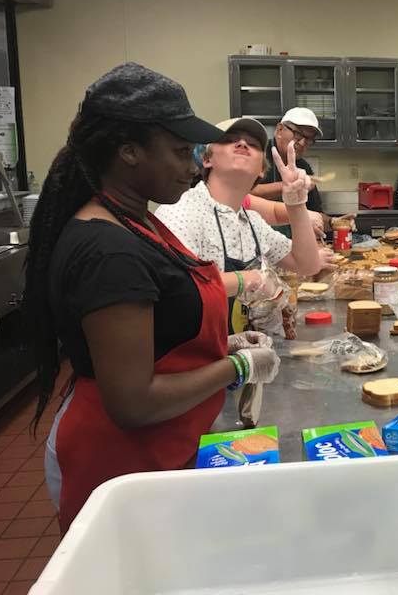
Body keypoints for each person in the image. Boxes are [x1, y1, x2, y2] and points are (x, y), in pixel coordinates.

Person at [23, 63, 281, 532]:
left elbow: (164, 327)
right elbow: (134, 402)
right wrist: (236, 367)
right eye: (181, 152)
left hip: (166, 445)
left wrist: (225, 344)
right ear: (129, 152)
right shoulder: (108, 250)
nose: (191, 166)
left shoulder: (137, 220)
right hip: (120, 462)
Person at [155, 116, 328, 332]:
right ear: (206, 159)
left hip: (244, 352)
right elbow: (174, 289)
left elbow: (307, 265)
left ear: (261, 171)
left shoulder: (252, 223)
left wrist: (296, 204)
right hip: (197, 356)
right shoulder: (182, 210)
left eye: (253, 144)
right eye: (229, 139)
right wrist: (247, 279)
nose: (243, 144)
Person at [251, 106, 327, 237]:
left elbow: (314, 212)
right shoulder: (256, 155)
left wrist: (333, 222)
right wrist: (288, 186)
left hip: (289, 245)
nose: (303, 143)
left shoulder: (303, 167)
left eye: (309, 139)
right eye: (298, 134)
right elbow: (243, 194)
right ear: (280, 130)